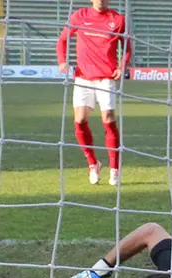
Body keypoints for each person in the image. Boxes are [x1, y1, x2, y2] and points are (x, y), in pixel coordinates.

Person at [56, 0, 131, 186]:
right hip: (83, 77)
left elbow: (127, 47)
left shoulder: (118, 19)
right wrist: (61, 61)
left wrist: (122, 67)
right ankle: (93, 164)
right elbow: (62, 40)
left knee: (108, 120)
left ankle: (115, 169)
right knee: (80, 121)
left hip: (106, 77)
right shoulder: (79, 16)